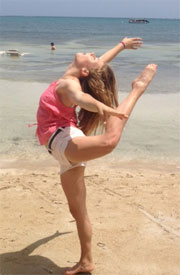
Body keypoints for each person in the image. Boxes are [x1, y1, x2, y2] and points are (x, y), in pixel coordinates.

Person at [36, 37, 157, 275]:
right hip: (66, 149)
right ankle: (86, 261)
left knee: (109, 141)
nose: (92, 53)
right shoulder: (72, 77)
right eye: (92, 56)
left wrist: (107, 109)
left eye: (92, 56)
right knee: (78, 211)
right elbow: (99, 64)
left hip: (63, 140)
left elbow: (84, 99)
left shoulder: (69, 85)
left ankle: (137, 89)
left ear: (83, 70)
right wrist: (122, 45)